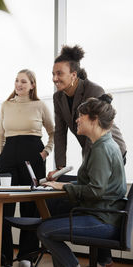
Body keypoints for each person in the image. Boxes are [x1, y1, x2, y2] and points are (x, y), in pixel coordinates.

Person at [47, 45, 127, 266]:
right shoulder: (58, 97)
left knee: (97, 199)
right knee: (68, 202)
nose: (55, 78)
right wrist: (60, 169)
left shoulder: (92, 89)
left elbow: (98, 128)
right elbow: (60, 132)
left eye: (59, 73)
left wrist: (86, 168)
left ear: (73, 74)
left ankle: (104, 259)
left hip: (108, 147)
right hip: (92, 149)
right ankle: (97, 258)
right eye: (53, 74)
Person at [0, 69, 54, 266]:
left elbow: (53, 132)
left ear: (32, 85)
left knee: (30, 207)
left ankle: (27, 257)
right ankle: (2, 257)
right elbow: (0, 134)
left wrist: (45, 153)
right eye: (16, 81)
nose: (18, 84)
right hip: (9, 155)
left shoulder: (39, 105)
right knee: (4, 206)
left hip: (33, 156)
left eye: (23, 81)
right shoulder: (6, 105)